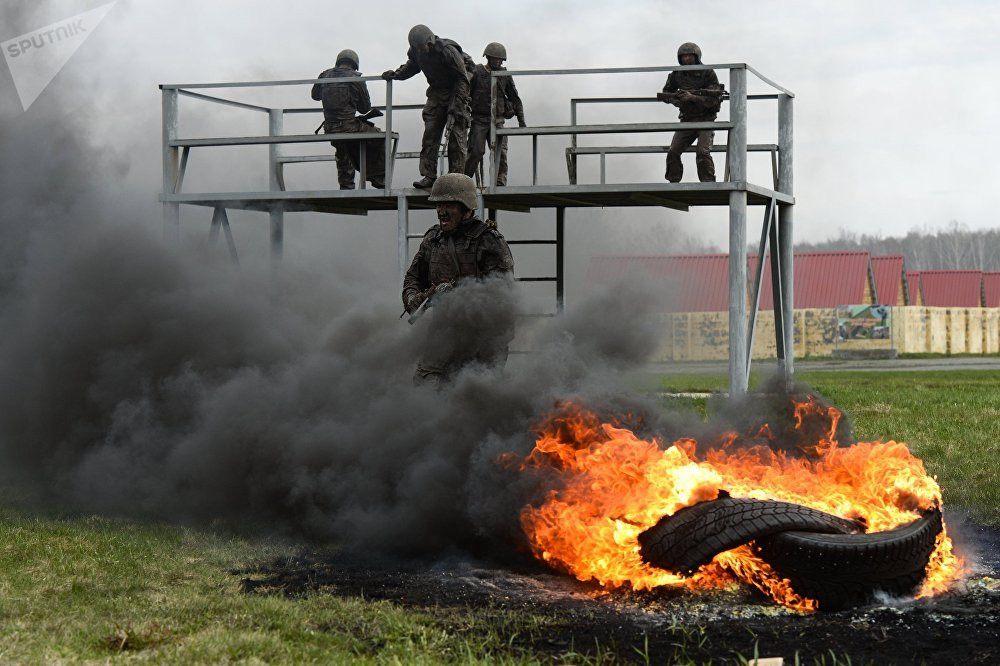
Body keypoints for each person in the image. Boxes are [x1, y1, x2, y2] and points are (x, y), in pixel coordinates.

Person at [402, 173, 515, 383]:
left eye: (449, 205)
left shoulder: (488, 241)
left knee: (475, 395)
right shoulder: (433, 239)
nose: (441, 211)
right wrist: (416, 299)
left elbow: (503, 298)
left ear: (466, 207)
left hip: (481, 340)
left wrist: (459, 296)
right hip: (443, 334)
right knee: (425, 387)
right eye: (438, 205)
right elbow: (413, 278)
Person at [382, 25, 474, 189]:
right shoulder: (416, 51)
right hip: (437, 93)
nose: (422, 50)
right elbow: (412, 66)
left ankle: (456, 179)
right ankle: (429, 175)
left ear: (430, 41)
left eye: (423, 46)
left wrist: (457, 105)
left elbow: (462, 79)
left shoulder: (448, 51)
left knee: (456, 137)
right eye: (418, 48)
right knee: (430, 135)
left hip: (456, 90)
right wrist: (396, 75)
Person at [311, 49, 386, 189]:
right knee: (379, 136)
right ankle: (378, 177)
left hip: (330, 128)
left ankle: (346, 186)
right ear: (355, 64)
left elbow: (315, 96)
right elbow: (364, 108)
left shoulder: (325, 75)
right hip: (349, 126)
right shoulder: (356, 78)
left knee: (342, 148)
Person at [464, 42, 526, 187]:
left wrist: (521, 120)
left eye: (500, 60)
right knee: (476, 151)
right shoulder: (478, 72)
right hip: (479, 119)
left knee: (501, 152)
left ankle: (500, 182)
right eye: (495, 59)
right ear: (488, 57)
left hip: (498, 120)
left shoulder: (504, 75)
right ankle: (463, 181)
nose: (498, 62)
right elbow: (466, 93)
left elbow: (514, 97)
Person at [661, 42, 723, 183]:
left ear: (696, 57)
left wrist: (693, 97)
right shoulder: (677, 74)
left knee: (702, 152)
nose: (687, 59)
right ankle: (673, 182)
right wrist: (678, 100)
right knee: (673, 151)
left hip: (706, 120)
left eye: (690, 56)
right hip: (687, 120)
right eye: (684, 56)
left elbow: (714, 99)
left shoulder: (707, 73)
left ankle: (708, 184)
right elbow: (666, 94)